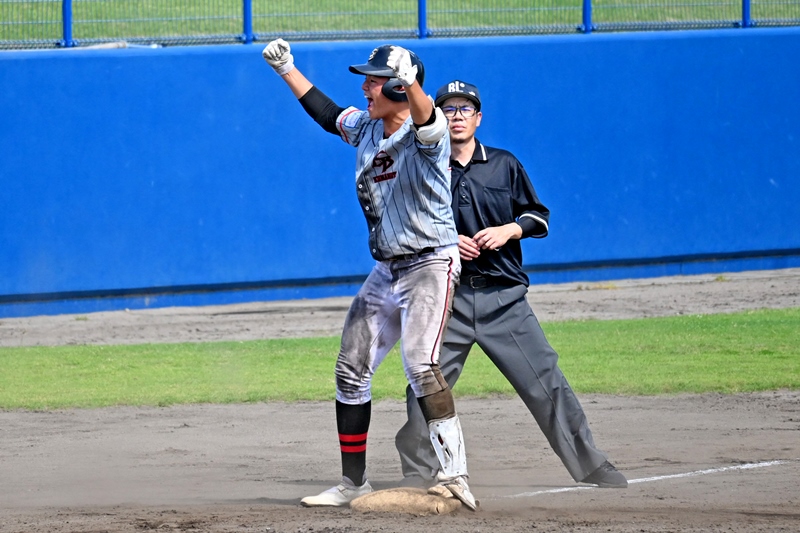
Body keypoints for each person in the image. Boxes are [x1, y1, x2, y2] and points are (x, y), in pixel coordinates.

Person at [261, 41, 478, 510]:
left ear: (400, 87)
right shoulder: (367, 127)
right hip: (388, 267)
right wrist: (287, 70)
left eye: (375, 80)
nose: (365, 86)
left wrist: (413, 83)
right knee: (350, 369)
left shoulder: (428, 135)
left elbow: (427, 120)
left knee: (421, 364)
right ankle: (353, 482)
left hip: (429, 264)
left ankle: (456, 475)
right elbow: (328, 113)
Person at [394, 80, 628, 490]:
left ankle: (590, 465)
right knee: (423, 391)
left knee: (547, 384)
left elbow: (538, 216)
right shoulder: (423, 165)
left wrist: (509, 230)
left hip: (504, 301)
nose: (457, 116)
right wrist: (445, 241)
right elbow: (404, 227)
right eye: (448, 109)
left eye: (466, 109)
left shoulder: (504, 164)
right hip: (445, 303)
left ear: (479, 118)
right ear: (436, 117)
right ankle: (419, 476)